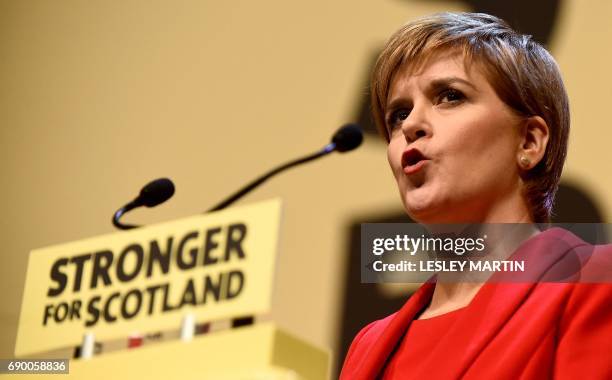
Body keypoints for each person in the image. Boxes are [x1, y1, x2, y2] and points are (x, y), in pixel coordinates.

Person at [340, 12, 612, 379]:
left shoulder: (592, 281)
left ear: (529, 142)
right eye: (398, 114)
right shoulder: (367, 346)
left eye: (450, 96)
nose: (410, 125)